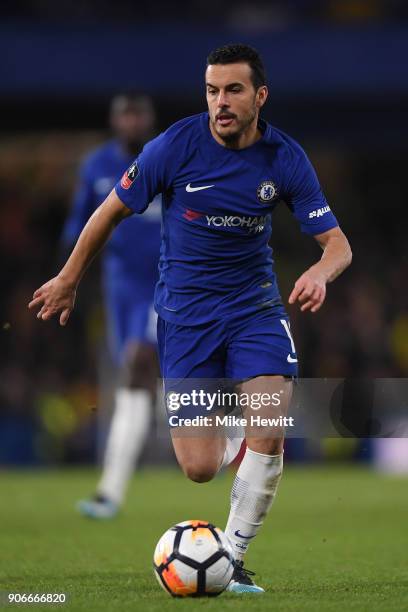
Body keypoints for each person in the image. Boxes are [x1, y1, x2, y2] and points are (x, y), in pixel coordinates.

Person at [29, 44, 352, 592]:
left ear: (260, 96)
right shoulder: (175, 146)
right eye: (211, 91)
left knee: (269, 429)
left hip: (255, 308)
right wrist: (68, 279)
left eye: (232, 90)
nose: (220, 102)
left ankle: (233, 557)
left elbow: (337, 244)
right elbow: (108, 211)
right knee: (200, 468)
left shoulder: (285, 156)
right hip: (186, 318)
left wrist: (322, 271)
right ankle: (230, 425)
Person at [62, 93, 162, 519]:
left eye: (139, 113)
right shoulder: (96, 167)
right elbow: (80, 226)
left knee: (139, 366)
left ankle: (110, 490)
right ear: (114, 118)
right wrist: (69, 277)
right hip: (120, 288)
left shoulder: (166, 161)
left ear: (149, 119)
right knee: (140, 382)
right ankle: (111, 490)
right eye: (125, 113)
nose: (132, 120)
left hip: (168, 284)